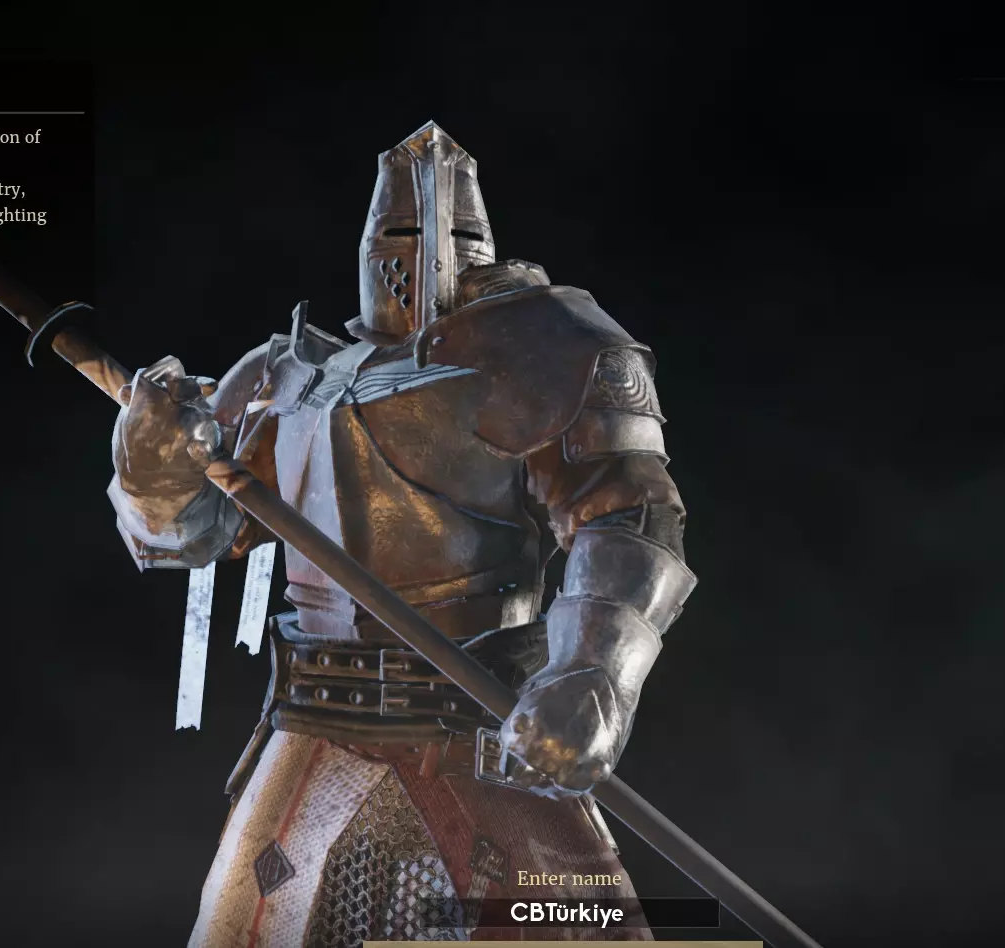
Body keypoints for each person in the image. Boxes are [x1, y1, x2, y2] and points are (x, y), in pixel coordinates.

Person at [106, 122, 694, 947]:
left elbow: (628, 519)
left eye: (441, 231)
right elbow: (194, 535)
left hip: (483, 729)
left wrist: (594, 673)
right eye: (400, 232)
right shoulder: (287, 375)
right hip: (311, 725)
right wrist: (152, 469)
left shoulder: (550, 348)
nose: (417, 253)